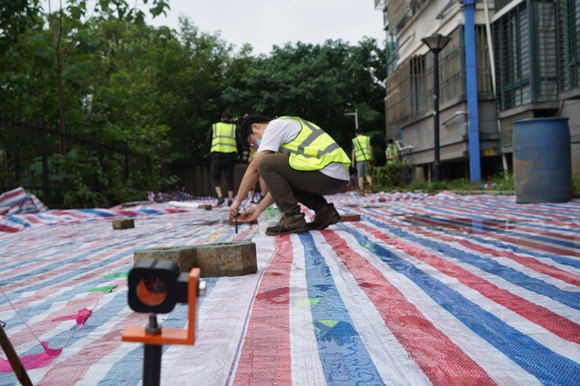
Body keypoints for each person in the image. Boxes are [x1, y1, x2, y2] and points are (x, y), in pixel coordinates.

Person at [228, 115, 351, 236]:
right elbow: (281, 189)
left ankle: (293, 218)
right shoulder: (285, 132)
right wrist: (258, 210)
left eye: (252, 143)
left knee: (264, 162)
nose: (257, 147)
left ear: (255, 127)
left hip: (328, 171)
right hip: (334, 176)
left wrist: (237, 202)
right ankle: (325, 212)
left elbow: (255, 168)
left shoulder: (275, 126)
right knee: (272, 167)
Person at [209, 111, 238, 205]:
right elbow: (239, 140)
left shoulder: (215, 126)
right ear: (231, 119)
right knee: (229, 177)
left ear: (222, 119)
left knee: (215, 176)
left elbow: (208, 139)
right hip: (230, 155)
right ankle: (230, 200)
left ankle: (220, 197)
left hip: (217, 154)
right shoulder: (234, 127)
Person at [351, 128, 374, 195]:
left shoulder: (354, 140)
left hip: (359, 160)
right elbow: (371, 148)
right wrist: (372, 157)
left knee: (360, 176)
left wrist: (353, 161)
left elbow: (353, 151)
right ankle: (370, 183)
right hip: (367, 160)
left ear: (356, 133)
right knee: (367, 175)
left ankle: (361, 190)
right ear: (363, 132)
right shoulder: (367, 139)